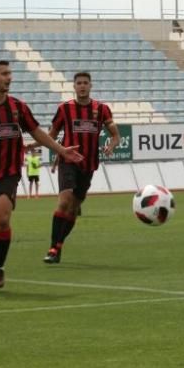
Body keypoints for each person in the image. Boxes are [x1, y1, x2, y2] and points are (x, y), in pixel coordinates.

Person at [0, 60, 83, 290]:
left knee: (2, 219)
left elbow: (37, 132)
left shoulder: (18, 107)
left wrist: (60, 150)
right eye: (4, 73)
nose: (9, 77)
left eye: (10, 73)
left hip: (7, 174)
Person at [43, 71, 119, 264]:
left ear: (90, 86)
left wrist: (111, 146)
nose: (82, 86)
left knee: (74, 208)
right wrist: (41, 147)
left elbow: (115, 135)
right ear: (74, 86)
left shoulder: (101, 109)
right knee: (64, 201)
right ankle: (52, 248)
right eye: (79, 83)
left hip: (89, 165)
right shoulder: (64, 109)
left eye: (86, 83)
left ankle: (58, 246)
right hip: (68, 161)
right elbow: (51, 134)